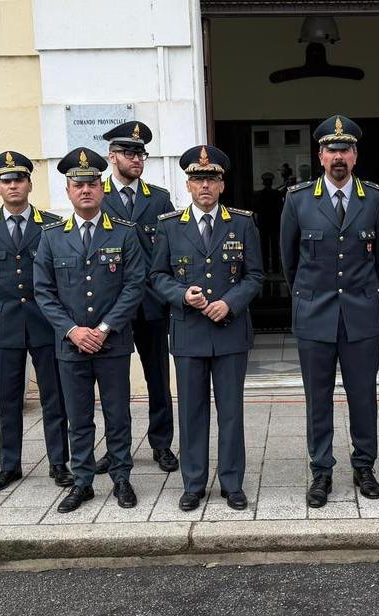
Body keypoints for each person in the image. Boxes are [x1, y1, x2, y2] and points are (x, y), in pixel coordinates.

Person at [280, 114, 379, 507]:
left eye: (345, 149)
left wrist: (364, 297)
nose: (338, 157)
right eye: (331, 150)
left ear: (355, 155)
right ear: (320, 155)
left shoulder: (375, 199)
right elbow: (289, 262)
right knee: (318, 398)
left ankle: (364, 467)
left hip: (359, 314)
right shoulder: (297, 199)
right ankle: (321, 471)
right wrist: (309, 298)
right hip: (315, 316)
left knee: (363, 397)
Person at [151, 145, 264, 511]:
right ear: (187, 184)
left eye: (211, 179)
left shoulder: (243, 223)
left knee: (231, 412)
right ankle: (194, 483)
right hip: (189, 332)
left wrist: (229, 302)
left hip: (230, 331)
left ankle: (232, 482)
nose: (204, 185)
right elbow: (157, 276)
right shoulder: (170, 226)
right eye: (198, 179)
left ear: (222, 184)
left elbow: (255, 275)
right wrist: (184, 295)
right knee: (192, 411)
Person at [33, 147, 144, 513]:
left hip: (111, 343)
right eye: (78, 185)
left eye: (93, 184)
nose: (86, 191)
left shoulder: (124, 234)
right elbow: (44, 292)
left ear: (102, 189)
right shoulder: (51, 237)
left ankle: (122, 478)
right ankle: (82, 482)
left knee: (118, 415)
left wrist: (104, 327)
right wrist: (72, 331)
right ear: (68, 190)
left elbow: (134, 286)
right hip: (71, 346)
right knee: (78, 417)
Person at [0, 151, 72, 492]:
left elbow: (58, 275)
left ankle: (59, 463)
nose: (13, 185)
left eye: (19, 179)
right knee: (8, 399)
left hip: (45, 323)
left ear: (30, 183)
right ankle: (9, 465)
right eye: (6, 180)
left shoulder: (51, 224)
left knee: (54, 398)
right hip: (5, 324)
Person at [95, 121, 178, 475]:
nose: (137, 159)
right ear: (112, 157)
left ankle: (161, 444)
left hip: (151, 304)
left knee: (158, 377)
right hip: (112, 306)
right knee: (113, 383)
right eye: (130, 153)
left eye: (141, 153)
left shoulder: (157, 198)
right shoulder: (96, 194)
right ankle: (118, 449)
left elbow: (170, 251)